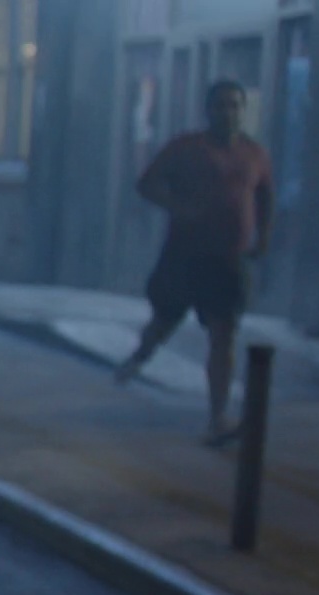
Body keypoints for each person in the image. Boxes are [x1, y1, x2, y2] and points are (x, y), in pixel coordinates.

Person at [114, 79, 274, 446]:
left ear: (243, 110)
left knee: (223, 333)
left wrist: (263, 238)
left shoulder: (255, 154)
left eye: (235, 105)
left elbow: (266, 198)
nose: (228, 112)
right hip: (184, 255)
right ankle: (140, 355)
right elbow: (147, 184)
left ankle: (217, 416)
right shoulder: (186, 148)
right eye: (221, 105)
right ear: (208, 110)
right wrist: (179, 207)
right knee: (164, 321)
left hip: (229, 260)